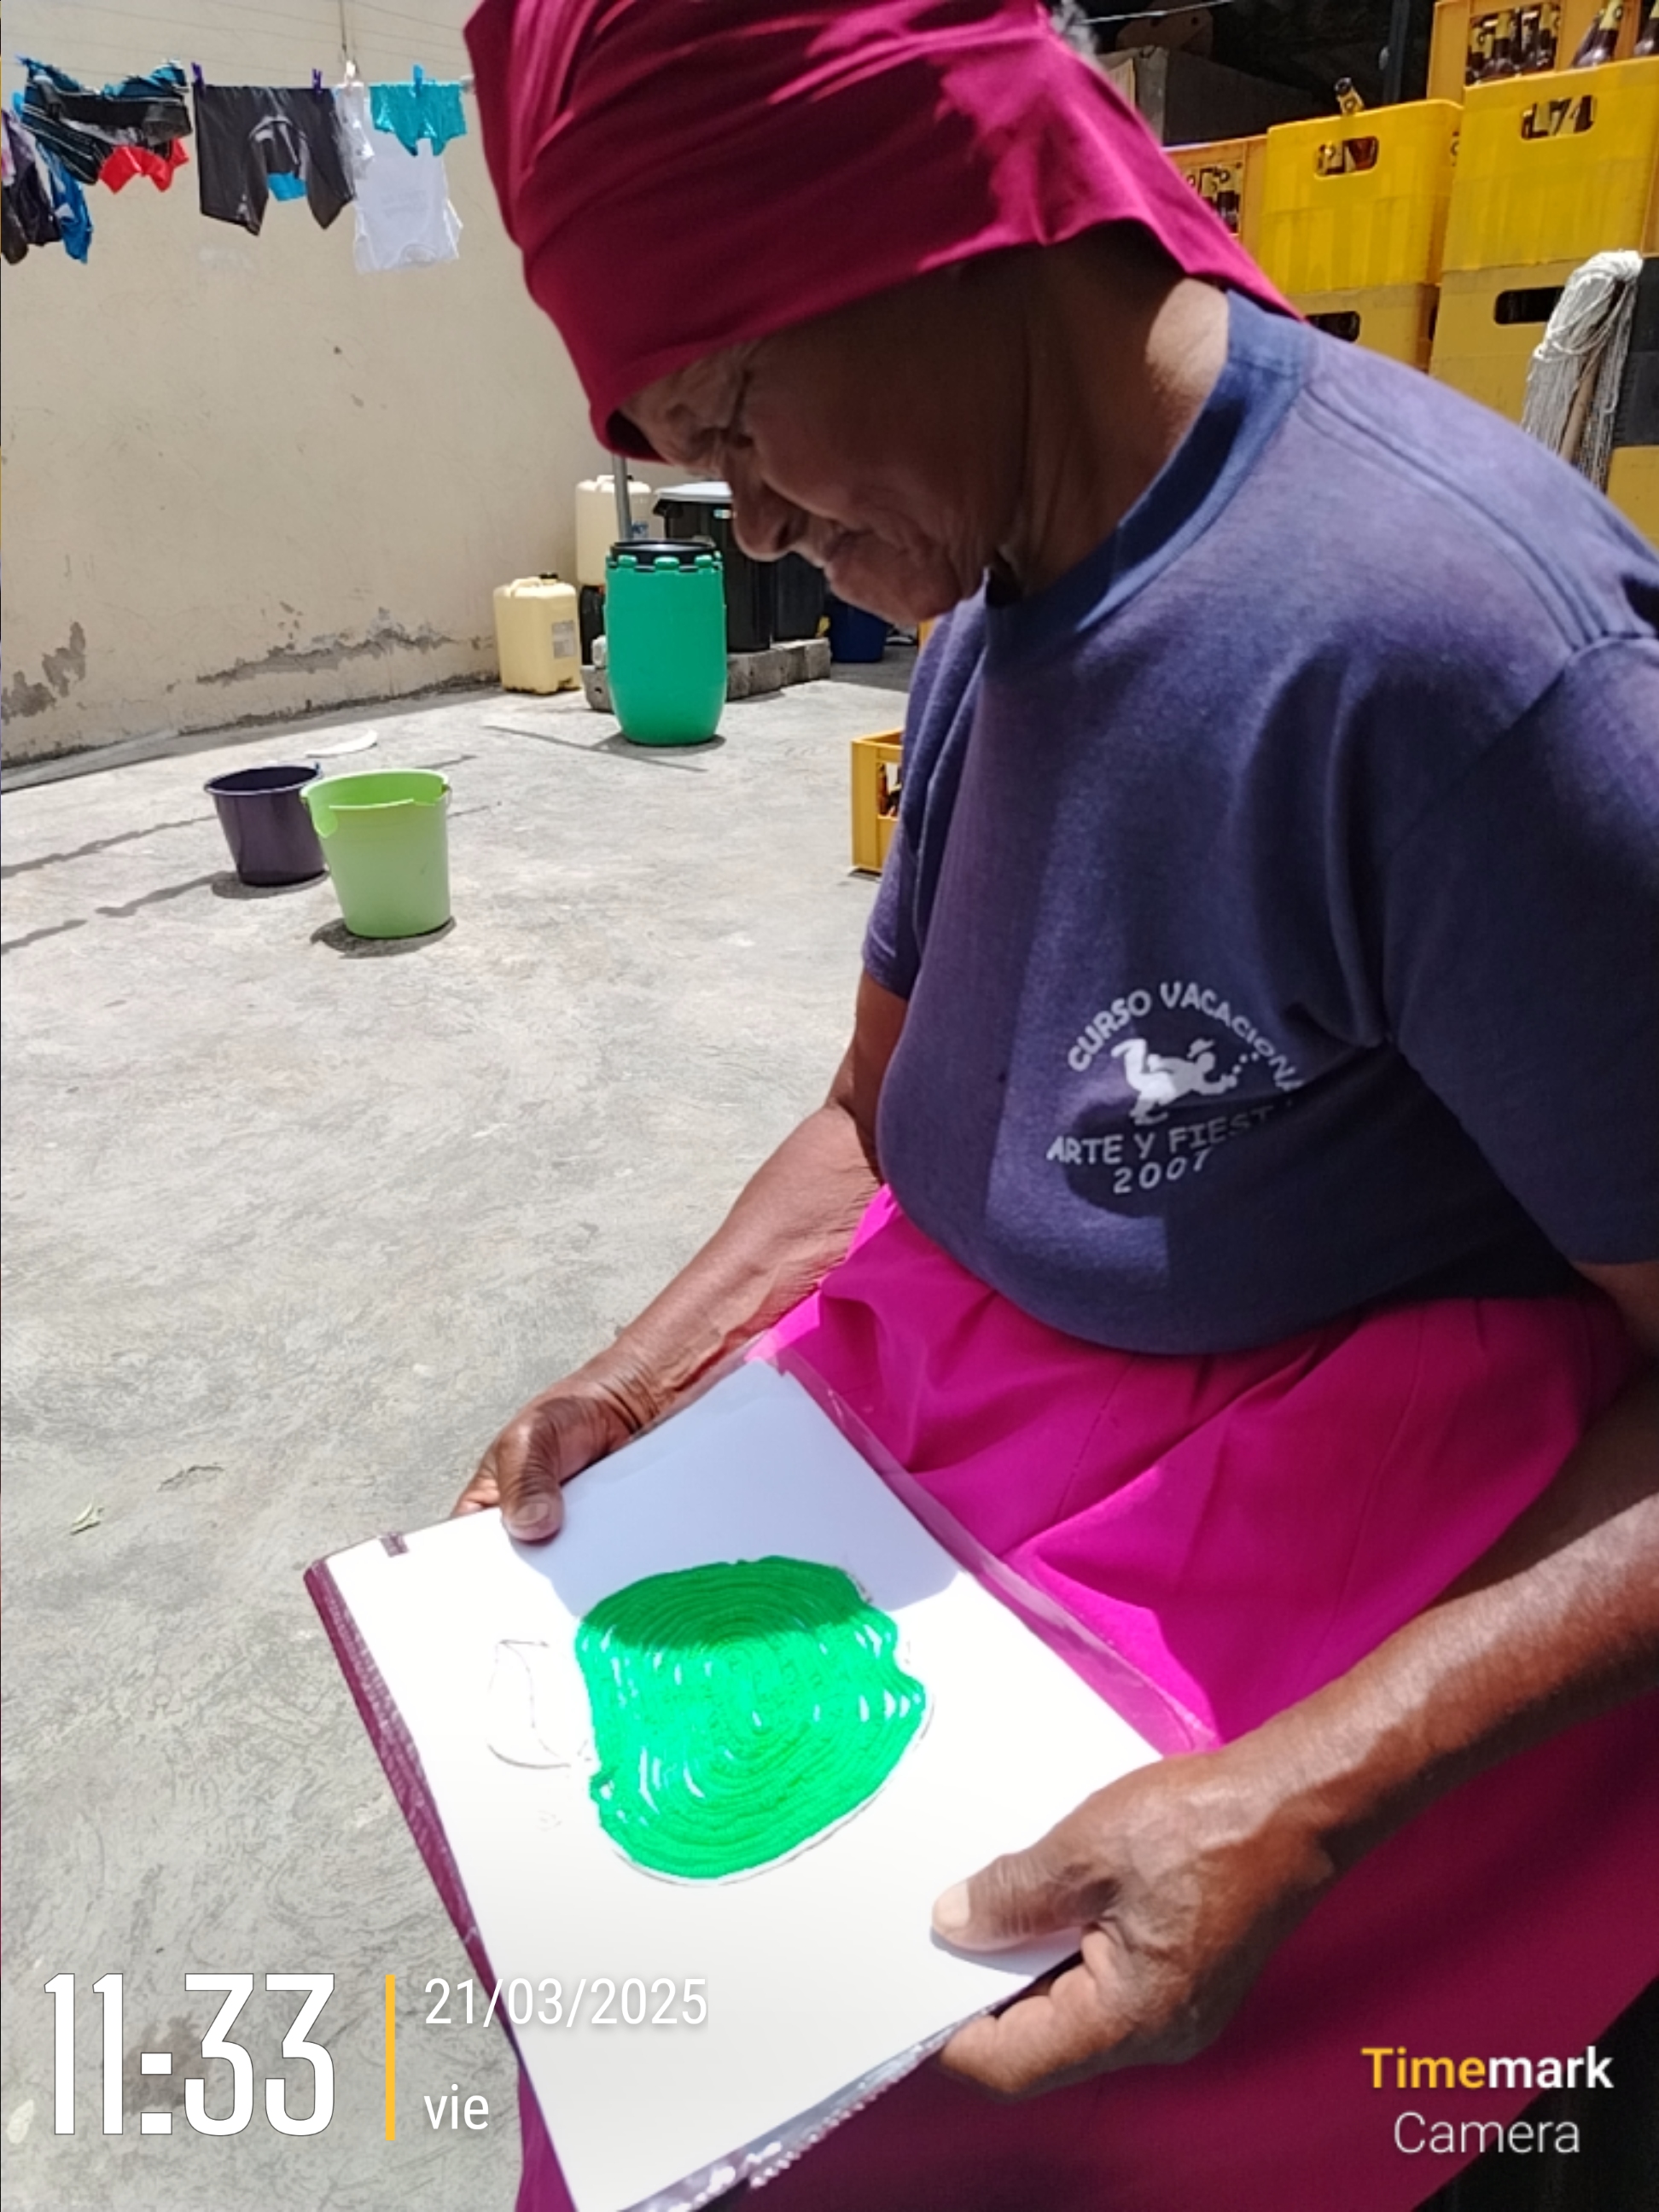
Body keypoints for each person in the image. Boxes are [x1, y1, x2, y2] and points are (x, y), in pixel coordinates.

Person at [458, 3, 1659, 2207]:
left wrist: (1299, 1802)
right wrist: (634, 1382)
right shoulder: (993, 621)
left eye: (735, 419)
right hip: (962, 1543)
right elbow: (878, 1114)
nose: (753, 522)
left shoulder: (1457, 663)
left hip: (1332, 1656)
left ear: (923, 214)